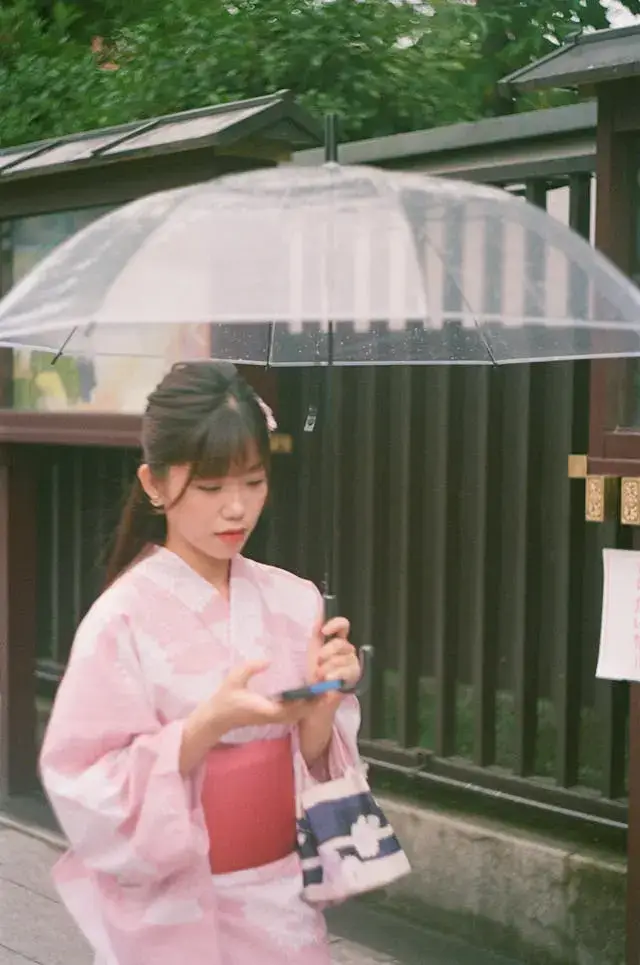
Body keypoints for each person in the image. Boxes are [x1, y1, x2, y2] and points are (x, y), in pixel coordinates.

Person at [39, 359, 362, 965]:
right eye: (211, 488)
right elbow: (81, 777)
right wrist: (201, 730)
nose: (236, 509)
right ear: (155, 484)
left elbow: (313, 759)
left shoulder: (295, 602)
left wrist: (325, 701)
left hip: (282, 902)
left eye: (254, 482)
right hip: (179, 908)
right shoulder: (121, 619)